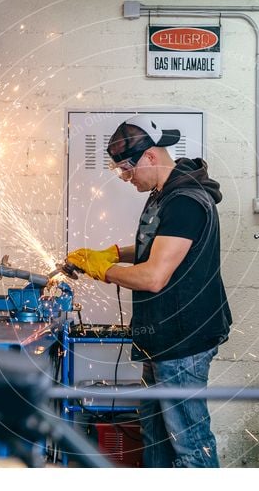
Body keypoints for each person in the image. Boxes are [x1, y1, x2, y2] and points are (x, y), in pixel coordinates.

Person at [66, 115, 232, 468]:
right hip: (161, 336)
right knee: (156, 436)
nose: (126, 178)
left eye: (127, 169)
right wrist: (112, 252)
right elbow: (157, 245)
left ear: (151, 157)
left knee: (188, 441)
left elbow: (155, 276)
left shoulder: (185, 201)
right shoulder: (163, 194)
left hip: (183, 338)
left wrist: (105, 270)